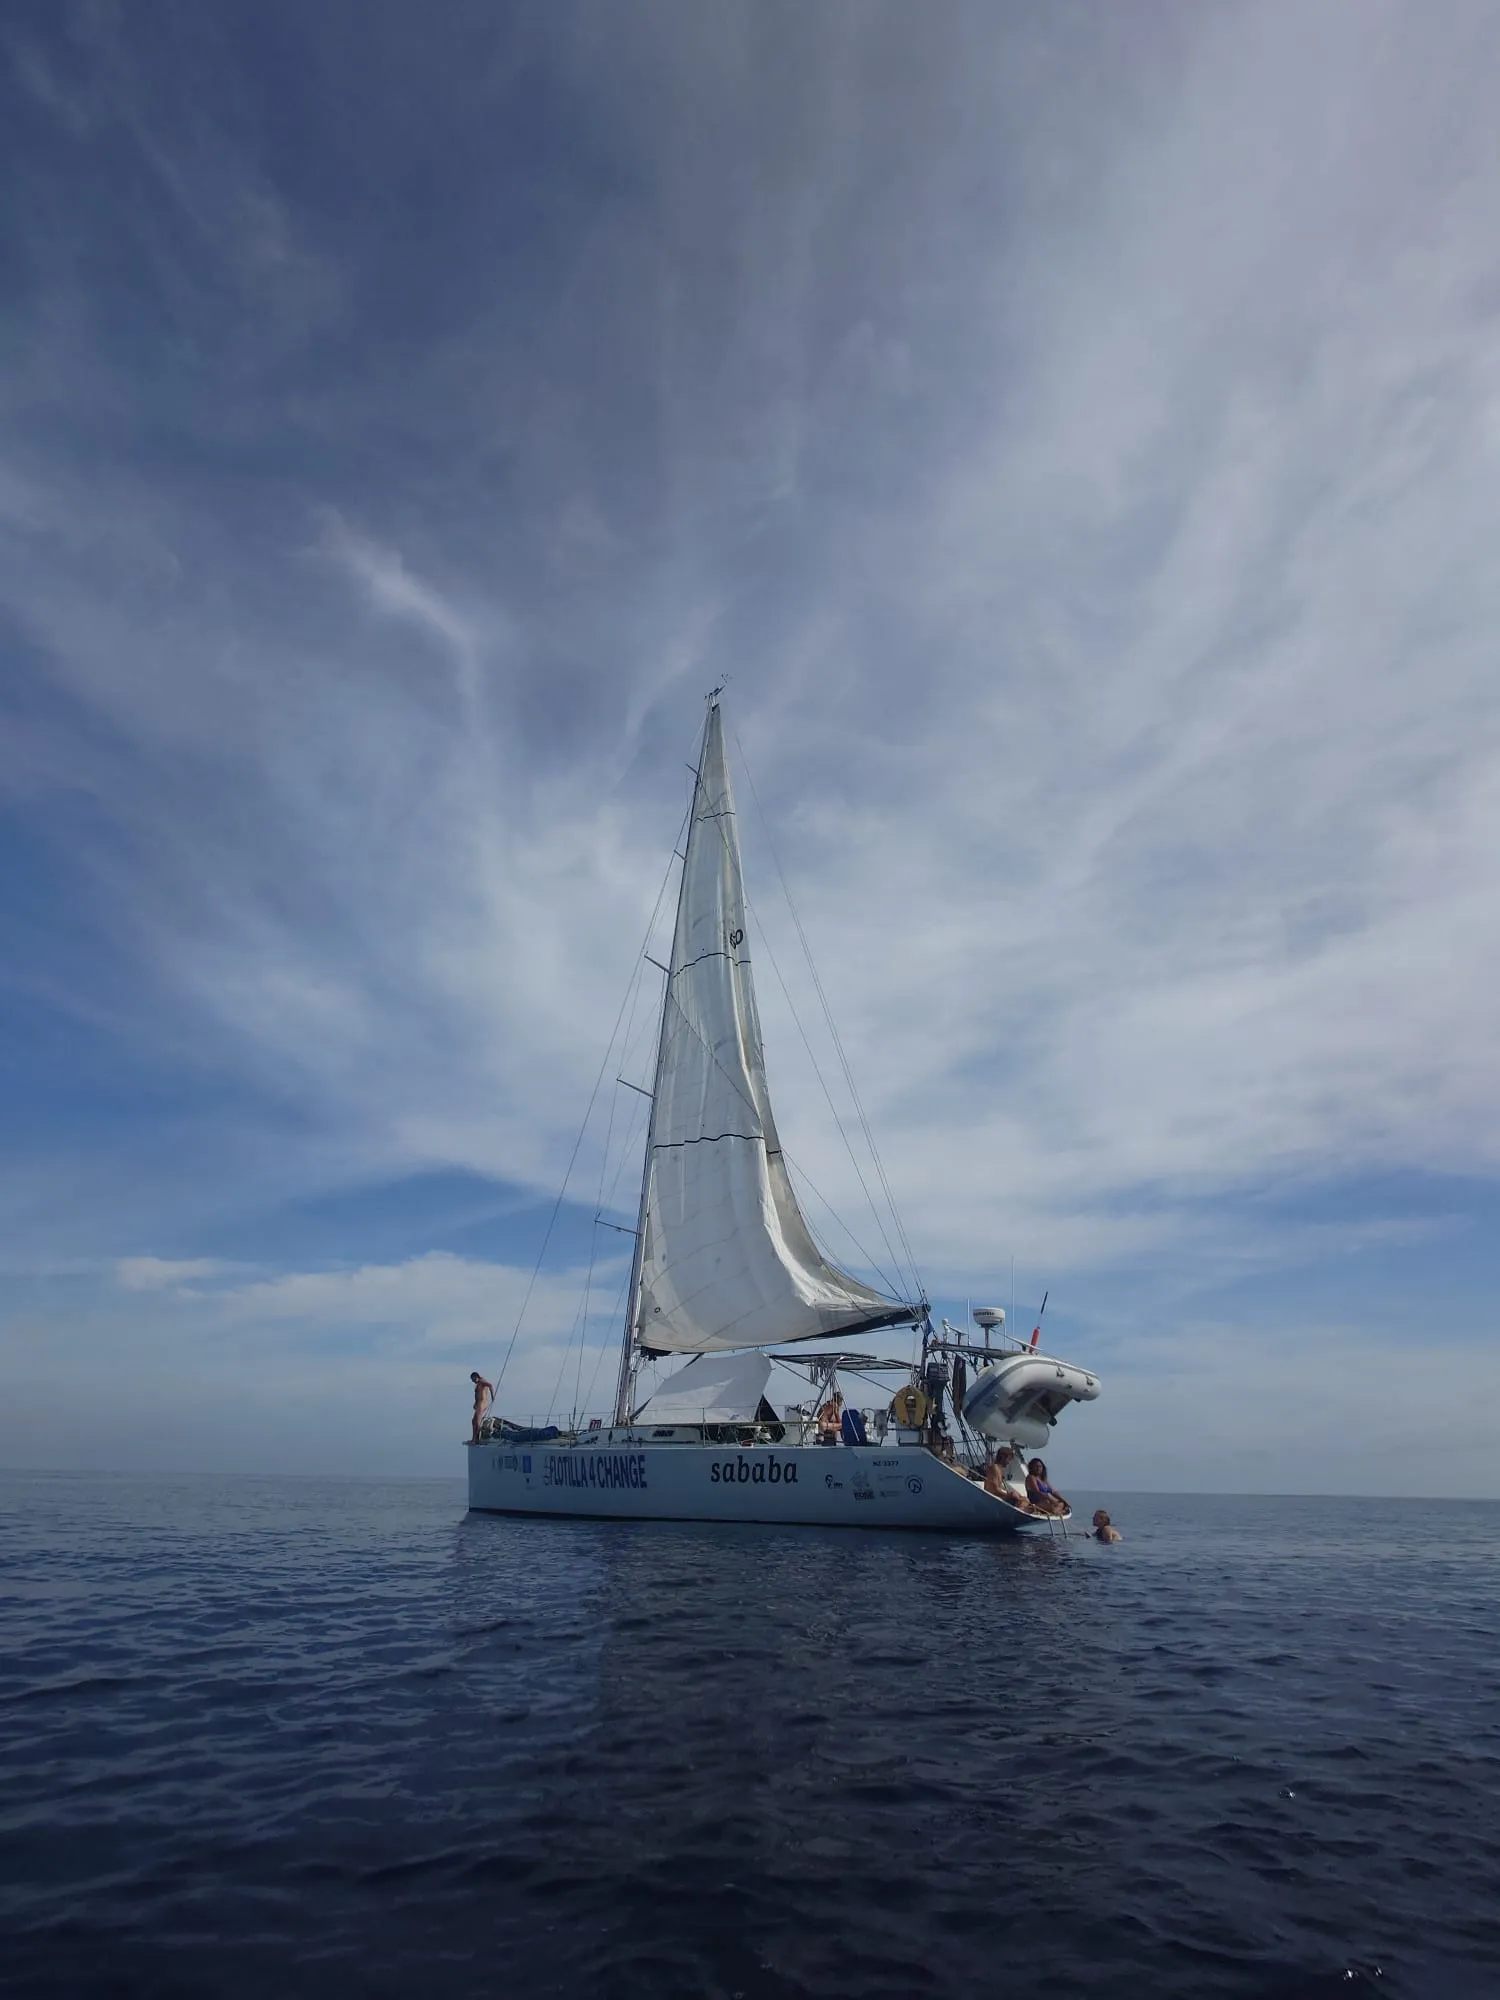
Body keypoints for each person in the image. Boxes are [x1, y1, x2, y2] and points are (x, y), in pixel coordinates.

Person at [469, 1371, 493, 1444]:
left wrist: (493, 1396)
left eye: (473, 1379)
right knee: (474, 1421)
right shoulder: (479, 1383)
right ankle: (475, 1438)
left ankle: (476, 1439)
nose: (473, 1381)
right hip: (479, 1403)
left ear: (476, 1377)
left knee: (477, 1422)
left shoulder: (482, 1381)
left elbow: (490, 1385)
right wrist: (475, 1403)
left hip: (482, 1404)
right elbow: (478, 1394)